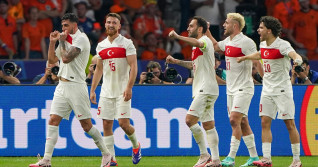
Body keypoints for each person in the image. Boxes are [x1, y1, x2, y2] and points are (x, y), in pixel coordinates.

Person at [29, 13, 111, 167]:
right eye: (62, 26)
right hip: (62, 85)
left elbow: (66, 58)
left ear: (74, 25)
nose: (63, 29)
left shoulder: (81, 39)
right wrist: (53, 43)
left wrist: (62, 40)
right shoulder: (65, 40)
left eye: (66, 25)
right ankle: (46, 160)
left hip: (76, 86)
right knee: (53, 120)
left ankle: (107, 155)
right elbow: (53, 61)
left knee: (86, 125)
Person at [237, 16, 303, 167]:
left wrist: (298, 61)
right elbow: (261, 54)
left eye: (261, 28)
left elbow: (294, 55)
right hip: (267, 90)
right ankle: (266, 159)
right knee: (264, 122)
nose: (258, 30)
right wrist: (246, 57)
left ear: (269, 30)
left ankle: (297, 160)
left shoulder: (282, 45)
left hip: (282, 90)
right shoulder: (263, 44)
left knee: (290, 124)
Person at [166, 16, 221, 167]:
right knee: (209, 125)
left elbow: (197, 42)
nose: (188, 28)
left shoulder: (204, 41)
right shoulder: (197, 47)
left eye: (191, 26)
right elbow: (194, 65)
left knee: (189, 120)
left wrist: (177, 36)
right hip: (206, 88)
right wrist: (177, 62)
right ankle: (216, 160)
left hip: (205, 88)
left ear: (200, 29)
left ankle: (204, 154)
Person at [206, 13, 259, 167]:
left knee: (234, 119)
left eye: (226, 22)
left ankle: (230, 157)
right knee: (242, 122)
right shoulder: (228, 41)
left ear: (234, 26)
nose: (223, 25)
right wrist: (208, 31)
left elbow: (257, 56)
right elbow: (216, 46)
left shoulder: (246, 42)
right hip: (231, 89)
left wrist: (261, 75)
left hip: (244, 87)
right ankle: (254, 157)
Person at [90, 13, 141, 166]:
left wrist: (129, 87)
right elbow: (99, 69)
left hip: (122, 90)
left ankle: (136, 145)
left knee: (124, 124)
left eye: (114, 22)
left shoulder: (127, 43)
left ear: (119, 26)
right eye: (108, 22)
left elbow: (134, 67)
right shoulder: (101, 45)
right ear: (105, 25)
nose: (111, 24)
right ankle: (111, 159)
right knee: (106, 124)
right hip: (106, 91)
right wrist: (93, 90)